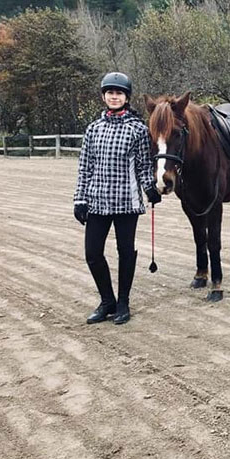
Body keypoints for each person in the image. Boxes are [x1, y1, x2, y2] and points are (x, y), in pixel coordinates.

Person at [73, 72, 161, 325]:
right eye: (110, 93)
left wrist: (150, 189)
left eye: (119, 93)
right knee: (92, 253)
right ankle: (107, 301)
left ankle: (123, 302)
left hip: (126, 202)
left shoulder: (138, 130)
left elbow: (144, 166)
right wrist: (79, 199)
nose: (114, 96)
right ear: (103, 96)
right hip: (97, 201)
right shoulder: (93, 129)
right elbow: (85, 167)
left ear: (126, 97)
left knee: (126, 252)